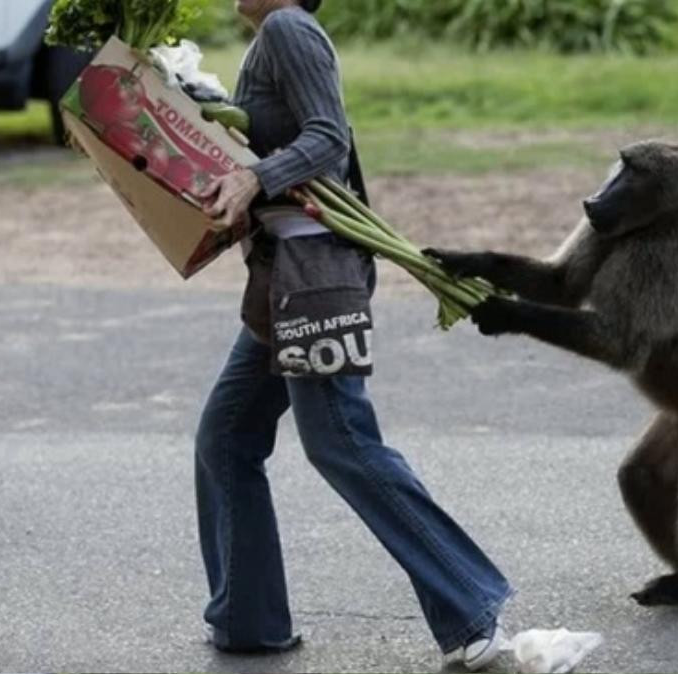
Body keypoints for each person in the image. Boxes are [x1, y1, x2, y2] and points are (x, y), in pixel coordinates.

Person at [193, 0, 512, 669]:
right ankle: (248, 621)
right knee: (227, 438)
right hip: (280, 276)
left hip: (316, 276)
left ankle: (471, 607)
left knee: (341, 443)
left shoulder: (288, 28)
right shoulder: (265, 42)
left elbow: (327, 139)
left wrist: (255, 175)